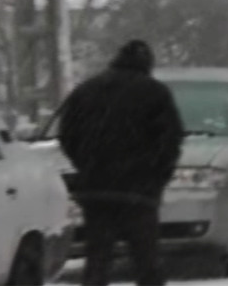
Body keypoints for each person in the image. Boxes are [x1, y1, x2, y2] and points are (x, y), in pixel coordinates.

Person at [57, 40, 184, 286]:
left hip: (96, 189)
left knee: (97, 259)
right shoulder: (155, 92)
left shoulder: (86, 90)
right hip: (139, 191)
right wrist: (156, 176)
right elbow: (170, 140)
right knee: (147, 261)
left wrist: (87, 164)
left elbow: (67, 135)